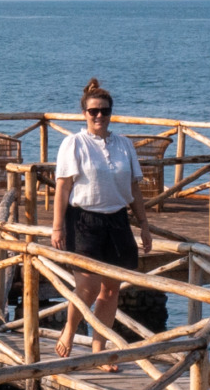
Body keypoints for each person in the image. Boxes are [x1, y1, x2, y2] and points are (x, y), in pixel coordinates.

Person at [51, 77, 153, 356]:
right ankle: (69, 332)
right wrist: (57, 227)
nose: (99, 116)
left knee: (111, 288)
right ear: (84, 114)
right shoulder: (74, 143)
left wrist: (144, 225)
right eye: (93, 111)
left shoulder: (124, 144)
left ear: (111, 113)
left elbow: (134, 188)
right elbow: (63, 187)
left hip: (118, 221)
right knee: (87, 286)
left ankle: (99, 347)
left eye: (104, 111)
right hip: (84, 220)